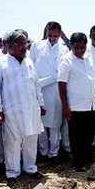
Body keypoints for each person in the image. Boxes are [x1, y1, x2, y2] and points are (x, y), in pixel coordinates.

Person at [0, 30, 45, 182]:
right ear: (10, 46)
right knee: (12, 142)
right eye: (20, 43)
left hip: (31, 109)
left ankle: (30, 168)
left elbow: (36, 84)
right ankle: (12, 173)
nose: (24, 46)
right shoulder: (0, 63)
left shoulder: (29, 62)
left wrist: (41, 103)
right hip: (11, 110)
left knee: (31, 138)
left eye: (25, 43)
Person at [58, 32, 95, 172]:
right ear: (72, 46)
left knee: (89, 135)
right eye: (77, 48)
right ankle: (77, 163)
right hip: (76, 107)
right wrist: (65, 107)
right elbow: (61, 85)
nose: (80, 50)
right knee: (77, 137)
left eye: (82, 47)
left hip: (92, 105)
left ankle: (87, 159)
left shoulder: (88, 58)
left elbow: (93, 78)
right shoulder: (66, 60)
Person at [29, 21, 69, 162]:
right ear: (46, 32)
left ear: (59, 35)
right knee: (40, 126)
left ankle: (54, 154)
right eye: (50, 35)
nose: (52, 38)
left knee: (54, 126)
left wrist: (41, 82)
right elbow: (30, 67)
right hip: (38, 92)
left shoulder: (64, 49)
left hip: (55, 92)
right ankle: (43, 153)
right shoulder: (36, 46)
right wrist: (36, 84)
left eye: (56, 36)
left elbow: (59, 73)